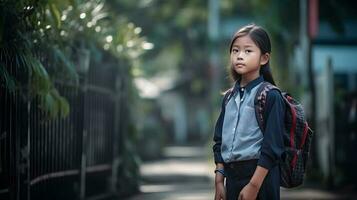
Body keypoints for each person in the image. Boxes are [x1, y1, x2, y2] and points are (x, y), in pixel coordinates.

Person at [213, 24, 285, 200]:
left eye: (248, 51)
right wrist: (219, 181)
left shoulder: (271, 96)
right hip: (232, 178)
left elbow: (272, 147)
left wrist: (254, 185)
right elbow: (219, 141)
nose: (239, 56)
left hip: (261, 177)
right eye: (235, 50)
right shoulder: (228, 98)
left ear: (264, 58)